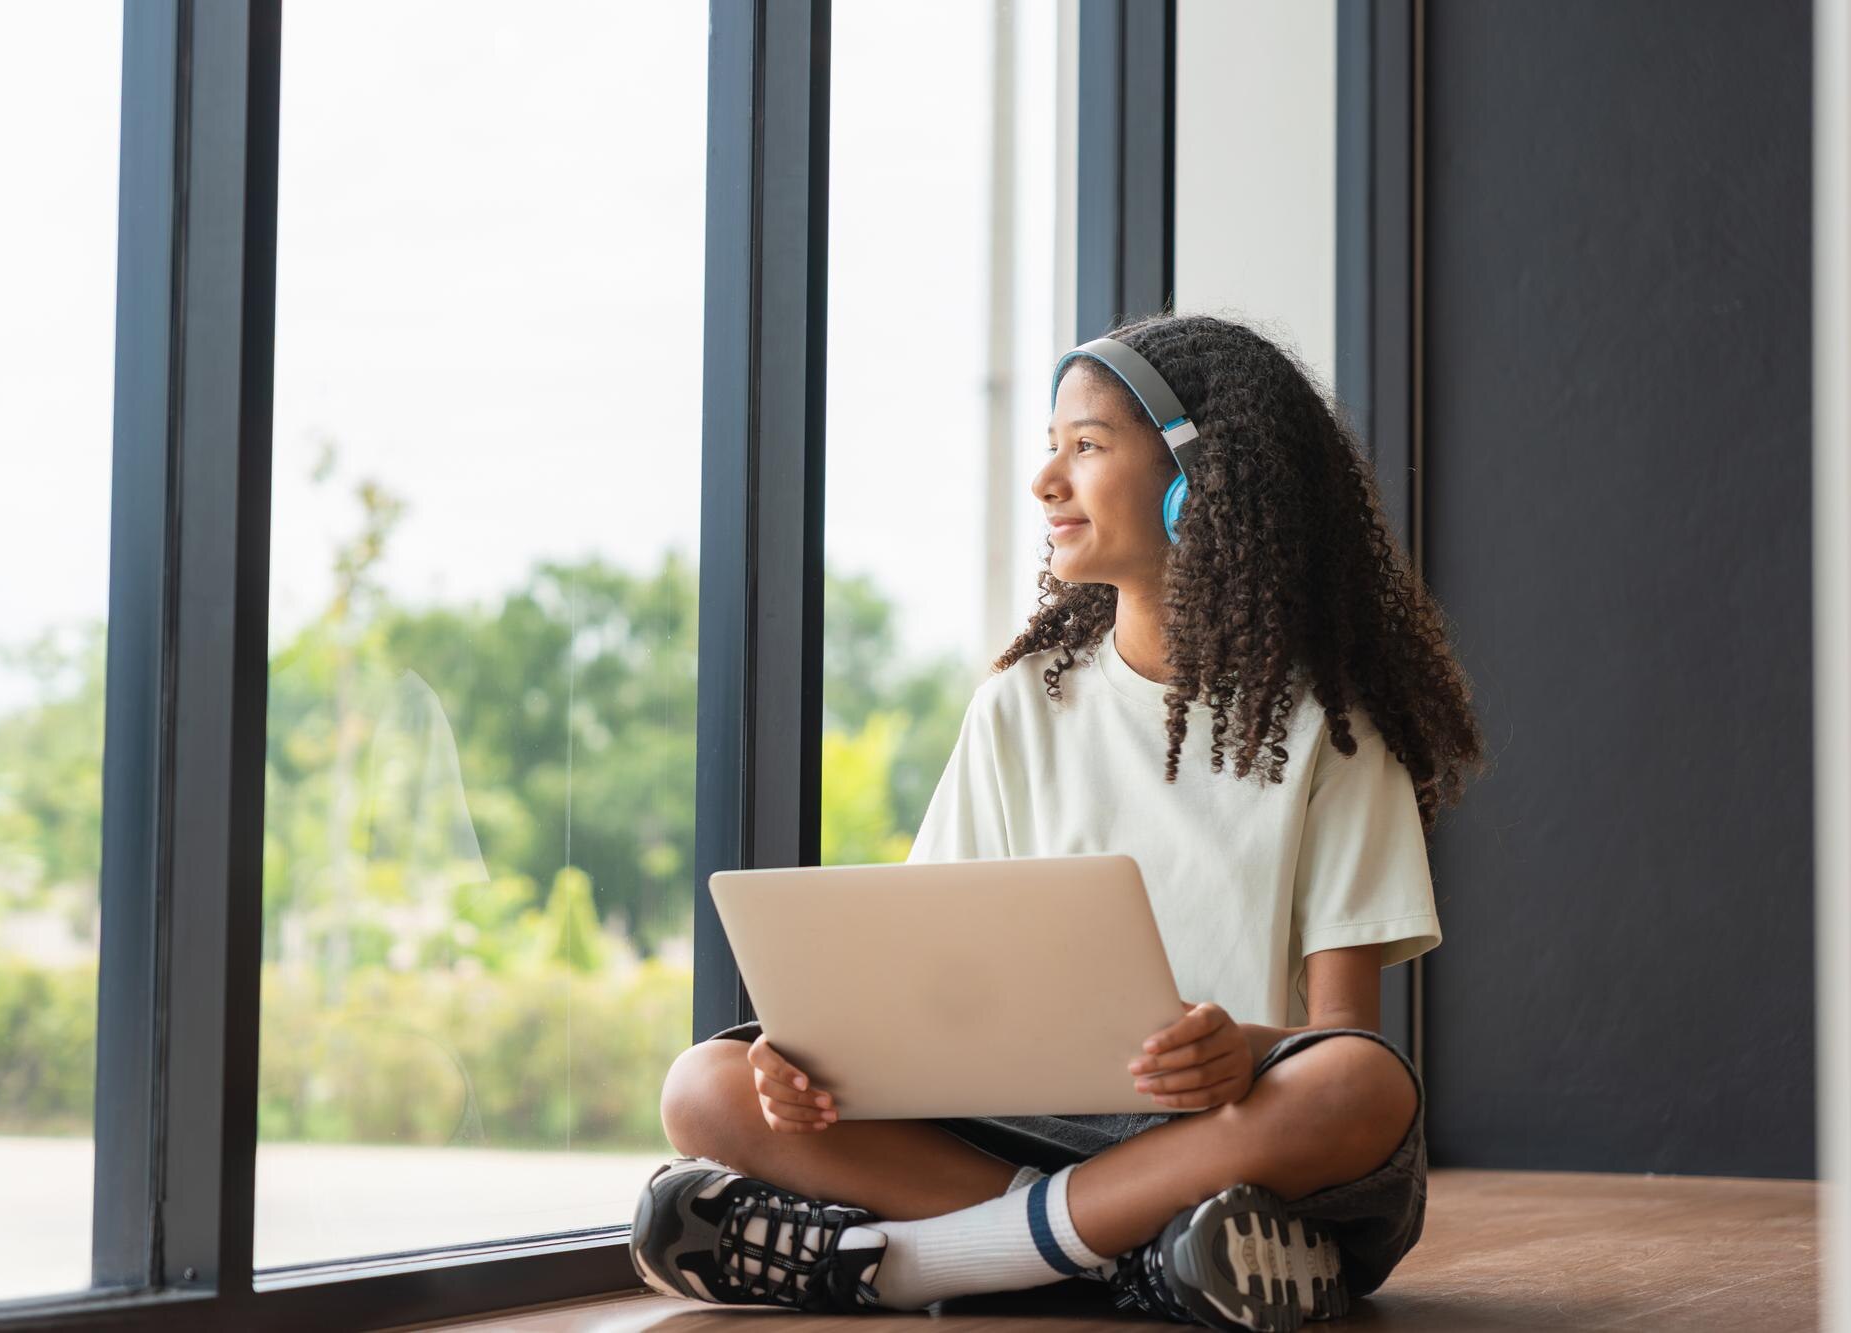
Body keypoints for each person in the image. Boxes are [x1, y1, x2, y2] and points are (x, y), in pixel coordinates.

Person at [629, 311, 1486, 1330]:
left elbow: (1341, 1034)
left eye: (1084, 446)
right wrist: (809, 1061)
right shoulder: (1019, 704)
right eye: (1049, 447)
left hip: (1223, 1129)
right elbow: (922, 973)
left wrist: (1238, 1051)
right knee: (706, 1086)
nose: (1046, 479)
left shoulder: (1331, 729)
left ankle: (918, 1259)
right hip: (1023, 1133)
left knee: (1359, 1084)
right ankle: (1143, 1262)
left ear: (1193, 484)